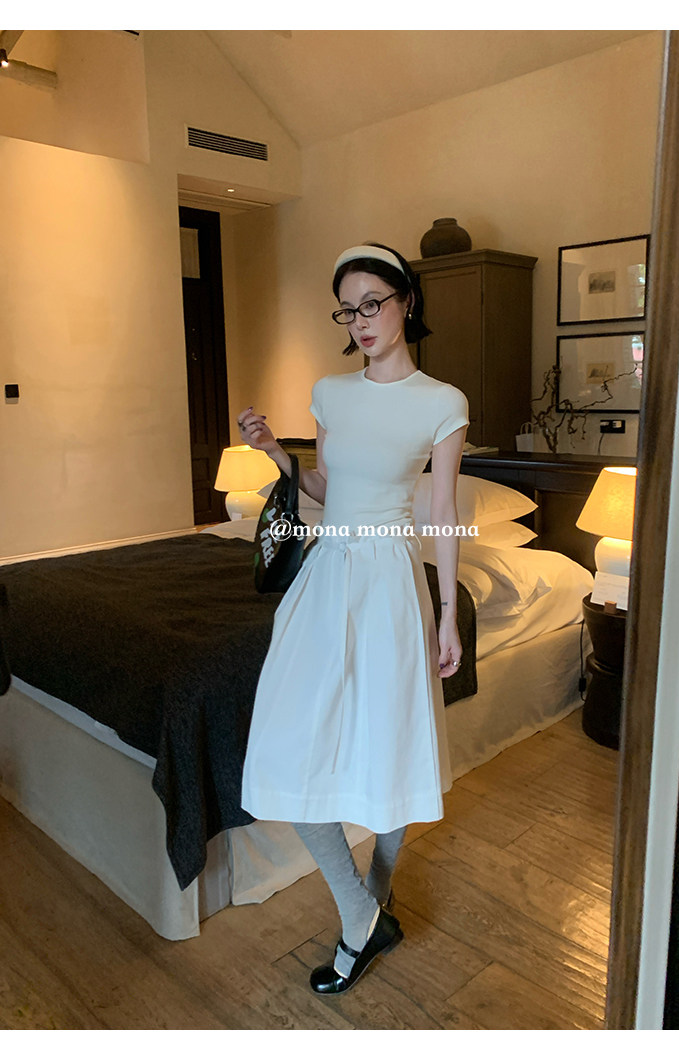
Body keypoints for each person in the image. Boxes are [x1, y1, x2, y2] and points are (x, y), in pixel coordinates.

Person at [237, 242, 469, 995]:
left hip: (391, 582)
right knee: (287, 742)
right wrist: (275, 451)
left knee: (391, 742)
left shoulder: (442, 402)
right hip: (327, 571)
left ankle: (372, 904)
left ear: (406, 303)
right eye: (347, 310)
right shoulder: (329, 393)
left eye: (373, 303)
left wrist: (448, 615)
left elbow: (443, 512)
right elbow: (325, 489)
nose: (361, 320)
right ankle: (364, 912)